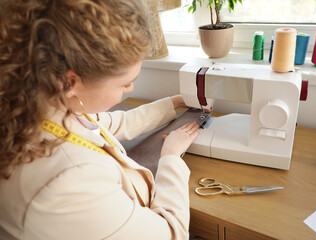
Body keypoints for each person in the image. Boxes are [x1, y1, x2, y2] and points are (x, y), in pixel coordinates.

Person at [0, 0, 199, 239]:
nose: (131, 87)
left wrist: (173, 102)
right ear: (70, 82)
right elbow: (172, 234)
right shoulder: (70, 182)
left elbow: (106, 124)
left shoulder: (38, 100)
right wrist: (170, 158)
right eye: (125, 83)